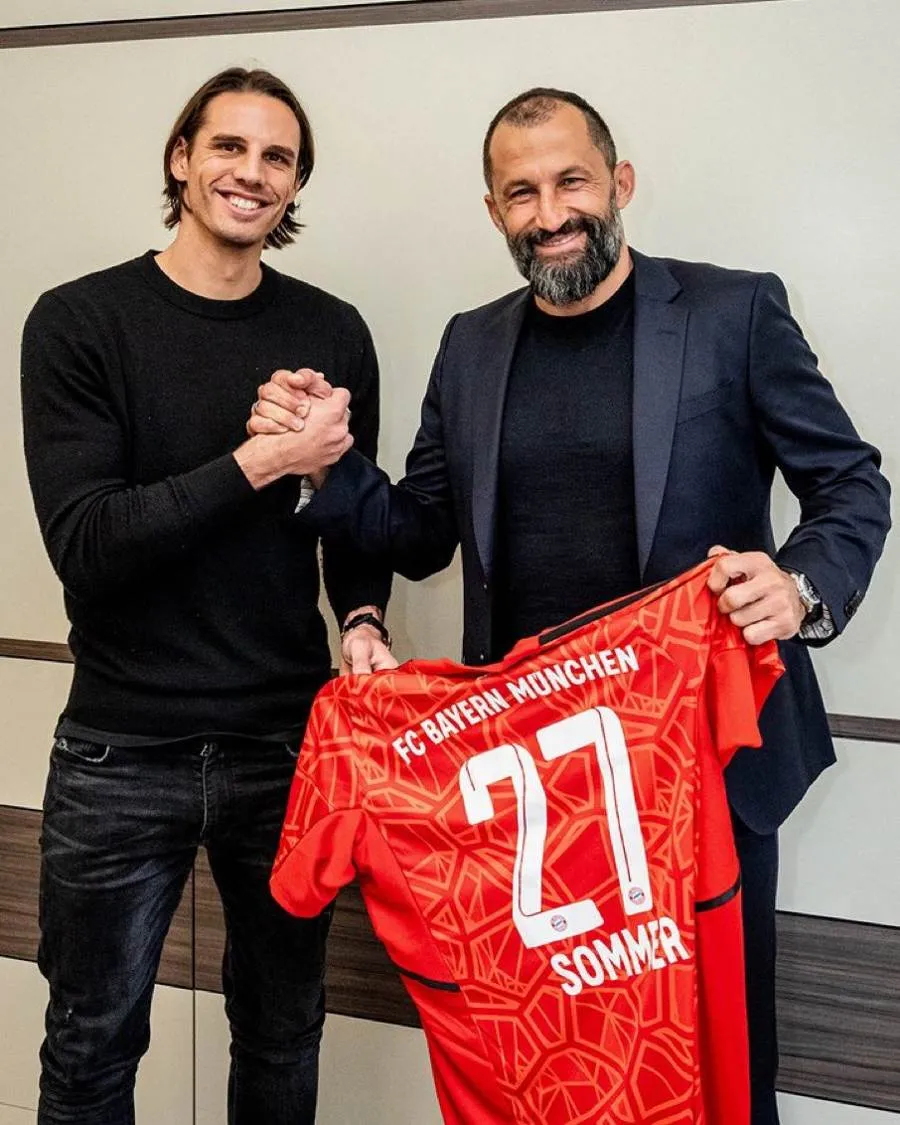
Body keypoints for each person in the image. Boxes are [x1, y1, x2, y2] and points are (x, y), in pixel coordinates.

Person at [248, 88, 891, 1124]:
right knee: (551, 1068)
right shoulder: (471, 345)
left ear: (619, 184)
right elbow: (422, 535)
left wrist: (800, 584)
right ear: (496, 211)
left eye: (571, 181)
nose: (550, 212)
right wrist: (332, 467)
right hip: (536, 795)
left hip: (698, 766)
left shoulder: (735, 312)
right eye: (521, 193)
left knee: (721, 1057)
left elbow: (851, 484)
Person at [20, 66, 394, 1125]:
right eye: (228, 146)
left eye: (278, 157)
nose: (250, 172)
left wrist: (362, 613)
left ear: (295, 186)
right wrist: (262, 459)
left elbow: (353, 511)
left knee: (284, 1033)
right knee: (92, 1049)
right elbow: (89, 545)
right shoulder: (79, 322)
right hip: (119, 753)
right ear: (181, 159)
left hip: (286, 747)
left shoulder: (332, 329)